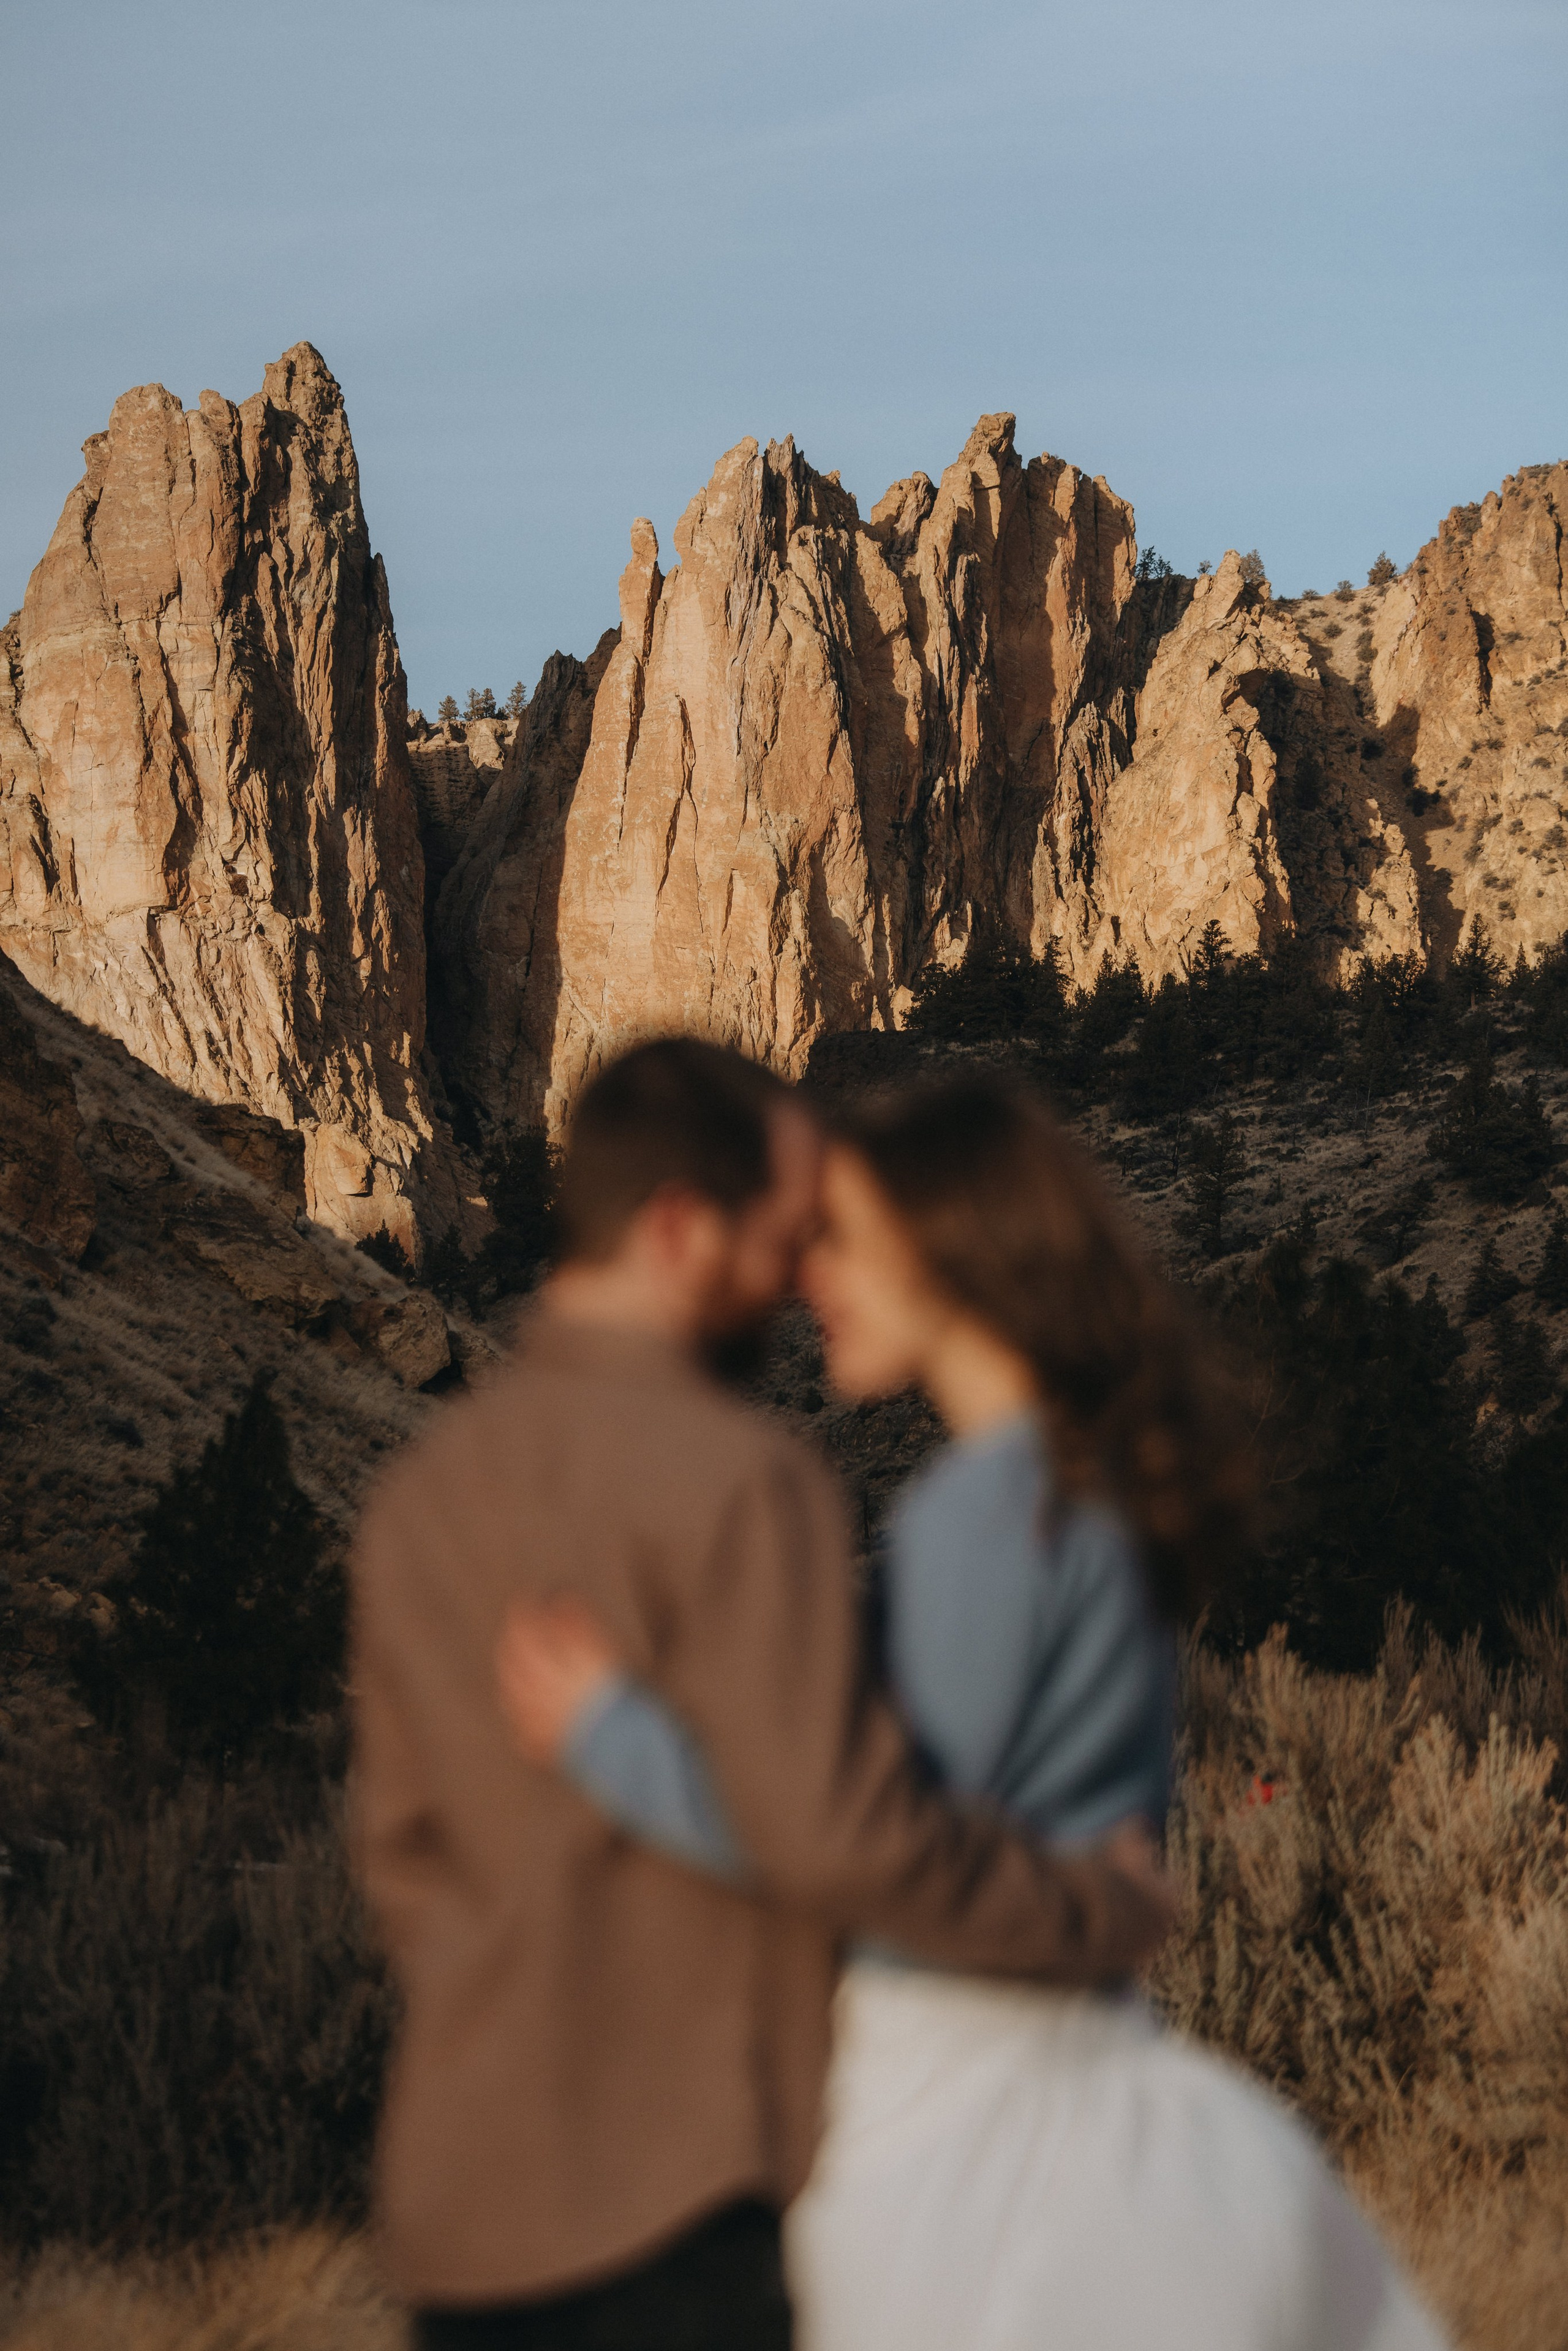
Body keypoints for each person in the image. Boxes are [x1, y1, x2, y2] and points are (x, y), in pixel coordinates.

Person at [499, 1073, 1451, 2351]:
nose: (806, 1276)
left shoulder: (980, 1514)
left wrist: (611, 1735)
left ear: (942, 1247)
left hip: (963, 2113)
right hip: (1101, 2076)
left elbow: (860, 1837)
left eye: (838, 1238)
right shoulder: (1095, 1490)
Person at [350, 1041, 1176, 2351]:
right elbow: (838, 1832)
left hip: (468, 2206)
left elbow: (397, 1857)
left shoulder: (411, 1504)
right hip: (697, 2198)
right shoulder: (747, 1481)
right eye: (784, 1240)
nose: (799, 1285)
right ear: (680, 1228)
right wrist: (1091, 1904)